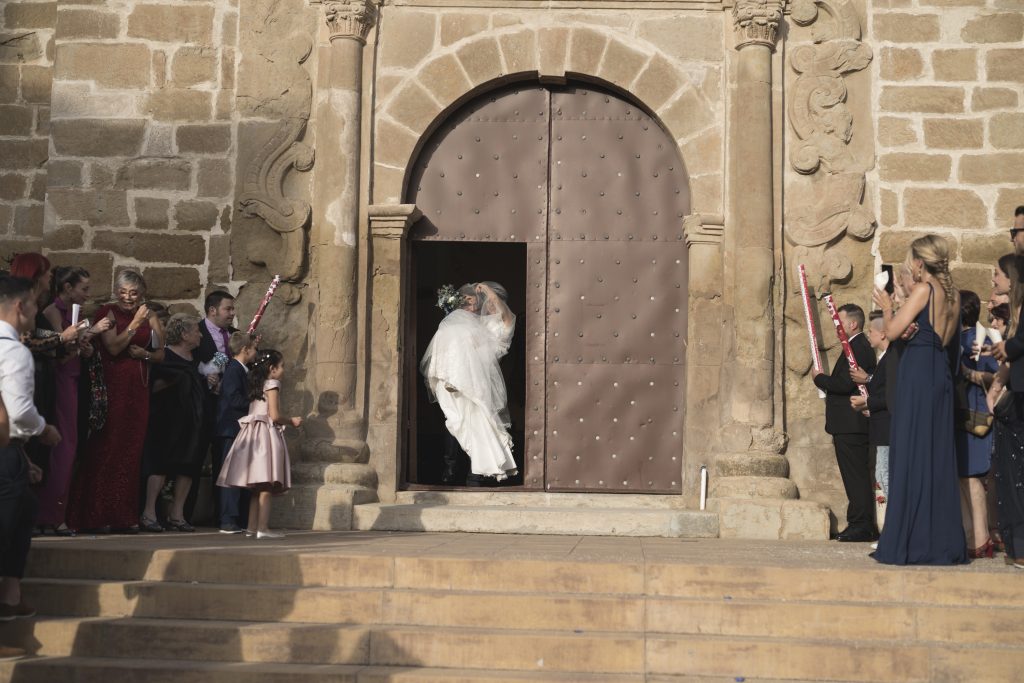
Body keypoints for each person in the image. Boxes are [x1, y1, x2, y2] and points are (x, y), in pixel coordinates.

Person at [873, 234, 966, 565]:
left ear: (918, 263)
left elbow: (893, 332)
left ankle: (908, 542)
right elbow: (935, 335)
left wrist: (887, 307)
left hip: (917, 373)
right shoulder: (952, 296)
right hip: (937, 370)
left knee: (912, 451)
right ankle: (938, 540)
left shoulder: (926, 290)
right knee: (935, 455)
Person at [67, 270, 164, 533]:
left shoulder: (150, 314)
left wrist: (145, 355)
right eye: (123, 292)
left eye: (133, 293)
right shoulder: (107, 312)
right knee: (107, 447)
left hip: (139, 389)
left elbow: (161, 354)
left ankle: (123, 515)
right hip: (113, 386)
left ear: (141, 292)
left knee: (131, 451)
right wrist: (134, 325)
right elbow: (113, 348)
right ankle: (95, 514)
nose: (128, 298)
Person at [0, 276, 61, 623]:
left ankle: (10, 596)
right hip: (6, 449)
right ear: (20, 307)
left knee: (24, 509)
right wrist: (44, 429)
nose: (38, 312)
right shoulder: (13, 351)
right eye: (36, 304)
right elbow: (18, 409)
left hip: (10, 448)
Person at [34, 267, 111, 536]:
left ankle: (57, 514)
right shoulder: (51, 314)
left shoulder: (71, 314)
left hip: (77, 383)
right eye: (84, 289)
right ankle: (50, 515)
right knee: (62, 450)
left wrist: (86, 349)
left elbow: (73, 352)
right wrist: (82, 340)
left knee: (72, 448)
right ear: (67, 289)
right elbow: (58, 354)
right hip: (60, 384)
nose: (88, 294)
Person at [421, 282, 519, 485]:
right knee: (458, 420)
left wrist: (488, 292)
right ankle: (455, 469)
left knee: (479, 422)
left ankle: (477, 472)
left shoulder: (504, 323)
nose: (488, 306)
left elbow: (502, 315)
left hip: (480, 378)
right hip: (462, 373)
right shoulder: (475, 323)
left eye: (491, 302)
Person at [216, 349, 301, 539]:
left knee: (257, 487)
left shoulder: (256, 383)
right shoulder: (272, 384)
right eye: (282, 366)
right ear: (272, 369)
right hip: (265, 435)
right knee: (267, 484)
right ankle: (263, 528)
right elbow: (275, 415)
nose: (283, 370)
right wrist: (291, 421)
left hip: (251, 434)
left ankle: (251, 528)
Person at [813, 303, 877, 542]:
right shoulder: (854, 346)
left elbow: (844, 384)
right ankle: (859, 522)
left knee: (856, 476)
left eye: (840, 324)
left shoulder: (859, 347)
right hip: (847, 425)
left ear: (853, 324)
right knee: (853, 475)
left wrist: (819, 379)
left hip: (852, 424)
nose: (837, 329)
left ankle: (861, 524)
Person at [140, 314, 207, 533]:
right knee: (160, 464)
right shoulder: (165, 355)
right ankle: (149, 512)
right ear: (185, 334)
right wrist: (177, 379)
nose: (200, 334)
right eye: (196, 330)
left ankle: (177, 514)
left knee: (187, 465)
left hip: (191, 420)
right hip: (166, 419)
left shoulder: (197, 357)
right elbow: (154, 386)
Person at [955, 291, 999, 558]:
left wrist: (968, 373)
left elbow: (995, 376)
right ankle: (970, 534)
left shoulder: (975, 339)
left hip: (975, 416)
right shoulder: (957, 340)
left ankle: (981, 539)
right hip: (960, 417)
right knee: (963, 479)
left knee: (973, 479)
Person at [214, 331, 258, 533]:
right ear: (245, 350)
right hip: (231, 428)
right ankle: (228, 519)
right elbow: (233, 399)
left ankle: (237, 518)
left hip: (237, 429)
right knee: (230, 475)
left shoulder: (241, 369)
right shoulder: (234, 370)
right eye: (254, 349)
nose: (256, 352)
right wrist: (256, 403)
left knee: (238, 474)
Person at [850, 312, 893, 503]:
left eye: (871, 331)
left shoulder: (891, 357)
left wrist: (867, 402)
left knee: (885, 475)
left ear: (883, 333)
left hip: (888, 429)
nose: (868, 335)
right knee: (882, 475)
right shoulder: (885, 358)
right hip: (882, 427)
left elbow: (891, 394)